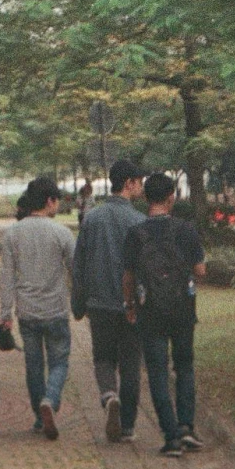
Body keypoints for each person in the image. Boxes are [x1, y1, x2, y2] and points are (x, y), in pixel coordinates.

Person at [123, 171, 208, 457]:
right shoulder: (185, 230)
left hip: (151, 311)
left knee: (158, 372)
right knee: (184, 367)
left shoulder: (136, 233)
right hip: (183, 309)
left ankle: (170, 436)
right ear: (172, 197)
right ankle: (186, 426)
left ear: (146, 198)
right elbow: (200, 270)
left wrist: (130, 305)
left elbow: (128, 276)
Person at [71, 160, 149, 443]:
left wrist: (78, 304)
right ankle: (127, 426)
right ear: (128, 183)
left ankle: (108, 395)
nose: (141, 187)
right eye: (139, 181)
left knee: (103, 358)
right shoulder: (141, 222)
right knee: (130, 364)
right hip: (131, 307)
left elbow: (78, 265)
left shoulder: (92, 219)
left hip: (99, 302)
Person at [0, 175, 77, 440]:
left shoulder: (12, 234)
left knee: (33, 366)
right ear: (49, 201)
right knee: (59, 362)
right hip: (55, 309)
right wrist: (79, 301)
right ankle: (50, 400)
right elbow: (76, 271)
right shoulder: (62, 233)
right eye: (57, 201)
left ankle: (39, 418)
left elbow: (7, 277)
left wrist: (5, 315)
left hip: (27, 312)